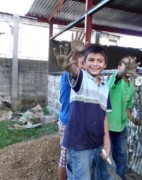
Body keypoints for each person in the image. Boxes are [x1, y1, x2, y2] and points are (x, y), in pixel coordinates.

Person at [54, 37, 112, 179]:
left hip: (98, 142)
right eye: (91, 60)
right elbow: (72, 69)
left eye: (99, 61)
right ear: (84, 64)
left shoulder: (105, 88)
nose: (95, 64)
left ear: (105, 65)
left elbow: (104, 117)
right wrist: (72, 57)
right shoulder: (81, 79)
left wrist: (107, 141)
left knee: (106, 174)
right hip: (79, 144)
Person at [97, 56, 141, 179]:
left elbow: (127, 107)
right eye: (126, 65)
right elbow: (115, 79)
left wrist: (133, 119)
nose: (129, 68)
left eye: (132, 66)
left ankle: (119, 177)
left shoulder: (131, 85)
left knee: (121, 156)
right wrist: (120, 73)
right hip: (108, 127)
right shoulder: (115, 79)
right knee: (106, 157)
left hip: (121, 127)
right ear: (118, 68)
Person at [57, 47, 85, 180]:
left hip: (75, 123)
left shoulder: (84, 79)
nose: (84, 67)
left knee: (73, 157)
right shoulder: (69, 74)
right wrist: (75, 52)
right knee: (65, 157)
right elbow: (70, 66)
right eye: (82, 64)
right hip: (68, 122)